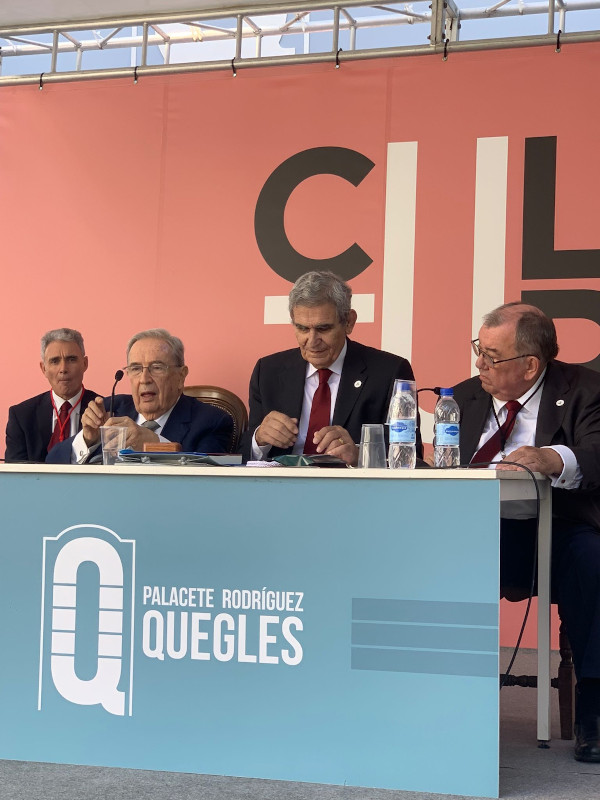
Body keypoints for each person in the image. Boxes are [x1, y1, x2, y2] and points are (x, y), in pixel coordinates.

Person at [453, 301, 600, 763]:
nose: (480, 363)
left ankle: (594, 709)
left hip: (559, 527)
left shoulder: (586, 390)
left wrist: (552, 457)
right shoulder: (463, 396)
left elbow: (597, 454)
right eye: (479, 349)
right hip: (479, 529)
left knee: (593, 560)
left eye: (492, 356)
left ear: (531, 365)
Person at [242, 271, 420, 465]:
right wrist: (259, 439)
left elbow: (411, 455)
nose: (312, 341)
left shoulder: (389, 372)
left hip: (352, 483)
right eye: (302, 328)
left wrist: (360, 454)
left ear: (349, 322)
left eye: (323, 328)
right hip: (279, 482)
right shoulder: (268, 371)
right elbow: (242, 456)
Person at [46, 328, 232, 463]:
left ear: (181, 376)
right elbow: (53, 461)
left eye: (157, 367)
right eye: (135, 368)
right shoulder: (112, 409)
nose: (144, 379)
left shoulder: (211, 421)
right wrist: (87, 439)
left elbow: (206, 479)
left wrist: (155, 445)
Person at [5, 328, 99, 463]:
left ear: (85, 364)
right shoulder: (21, 416)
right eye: (55, 361)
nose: (63, 369)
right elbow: (15, 472)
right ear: (44, 368)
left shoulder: (104, 411)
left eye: (71, 359)